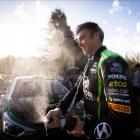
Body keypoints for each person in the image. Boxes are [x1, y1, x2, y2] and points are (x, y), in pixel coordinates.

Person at [44, 22, 136, 139]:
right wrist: (59, 109)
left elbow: (121, 115)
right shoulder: (90, 62)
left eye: (82, 38)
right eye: (78, 40)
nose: (80, 44)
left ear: (96, 36)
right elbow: (77, 90)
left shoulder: (111, 61)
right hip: (91, 128)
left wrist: (88, 130)